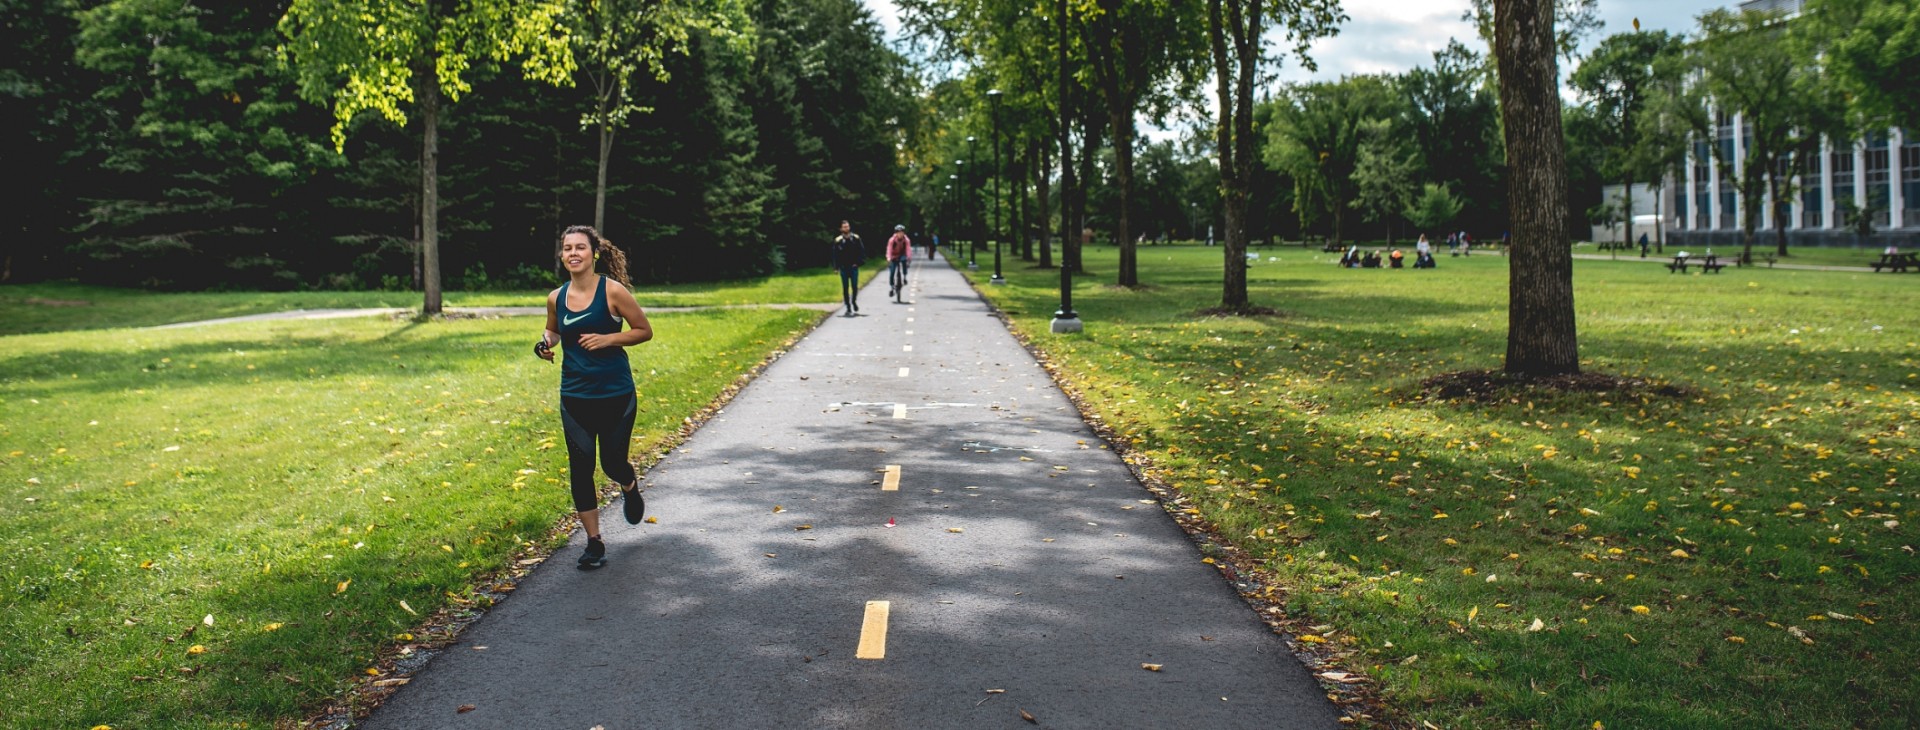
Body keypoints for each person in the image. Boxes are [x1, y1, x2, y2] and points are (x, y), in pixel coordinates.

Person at [535, 225, 655, 570]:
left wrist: (608, 340)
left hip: (616, 394)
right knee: (580, 465)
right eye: (567, 248)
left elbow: (644, 331)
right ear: (562, 255)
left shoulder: (613, 292)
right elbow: (555, 330)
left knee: (612, 464)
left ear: (593, 253)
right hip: (575, 395)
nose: (573, 253)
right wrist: (544, 344)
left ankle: (629, 485)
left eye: (580, 248)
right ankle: (594, 542)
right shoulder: (556, 297)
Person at [832, 220, 865, 316]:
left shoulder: (856, 238)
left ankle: (854, 301)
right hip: (843, 267)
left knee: (854, 286)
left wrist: (859, 263)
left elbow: (861, 251)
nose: (846, 228)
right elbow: (835, 255)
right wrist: (836, 267)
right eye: (844, 227)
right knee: (845, 287)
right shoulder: (838, 241)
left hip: (853, 267)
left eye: (847, 226)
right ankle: (848, 306)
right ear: (841, 229)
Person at [886, 224, 911, 301]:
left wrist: (908, 257)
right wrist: (889, 257)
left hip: (902, 255)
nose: (900, 234)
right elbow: (889, 249)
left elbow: (908, 249)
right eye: (898, 232)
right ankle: (892, 286)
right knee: (892, 271)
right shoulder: (892, 240)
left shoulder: (906, 240)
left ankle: (904, 277)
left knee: (904, 263)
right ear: (896, 233)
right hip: (894, 256)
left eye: (902, 232)